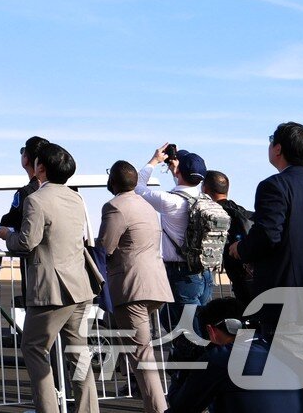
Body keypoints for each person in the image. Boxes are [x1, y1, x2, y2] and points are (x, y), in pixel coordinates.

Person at [228, 122, 303, 413]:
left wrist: (240, 249)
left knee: (291, 385)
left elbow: (268, 235)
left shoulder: (274, 186)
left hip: (293, 304)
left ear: (279, 149)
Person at [0, 142, 98, 413]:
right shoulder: (76, 198)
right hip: (79, 286)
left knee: (34, 349)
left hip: (50, 290)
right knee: (79, 355)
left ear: (40, 167)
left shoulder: (36, 200)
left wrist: (8, 237)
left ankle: (48, 408)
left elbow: (27, 242)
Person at [99, 160, 173, 413]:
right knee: (142, 350)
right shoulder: (146, 205)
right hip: (154, 284)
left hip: (132, 288)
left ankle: (158, 408)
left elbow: (106, 247)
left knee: (142, 355)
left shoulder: (114, 206)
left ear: (113, 182)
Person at [165, 296, 303, 413]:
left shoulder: (221, 358)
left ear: (211, 331)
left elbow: (181, 407)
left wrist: (180, 370)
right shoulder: (279, 346)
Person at [135, 144, 216, 335]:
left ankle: (193, 361)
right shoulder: (205, 199)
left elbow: (136, 187)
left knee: (189, 331)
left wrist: (155, 160)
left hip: (182, 274)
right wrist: (177, 169)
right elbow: (185, 184)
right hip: (204, 271)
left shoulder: (169, 200)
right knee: (200, 324)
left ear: (179, 172)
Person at [203, 171, 256, 306]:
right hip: (252, 273)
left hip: (238, 275)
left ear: (205, 189)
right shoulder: (241, 211)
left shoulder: (212, 213)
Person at [0, 135, 49, 230]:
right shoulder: (59, 190)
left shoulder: (24, 193)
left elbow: (11, 221)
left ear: (26, 160)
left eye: (23, 152)